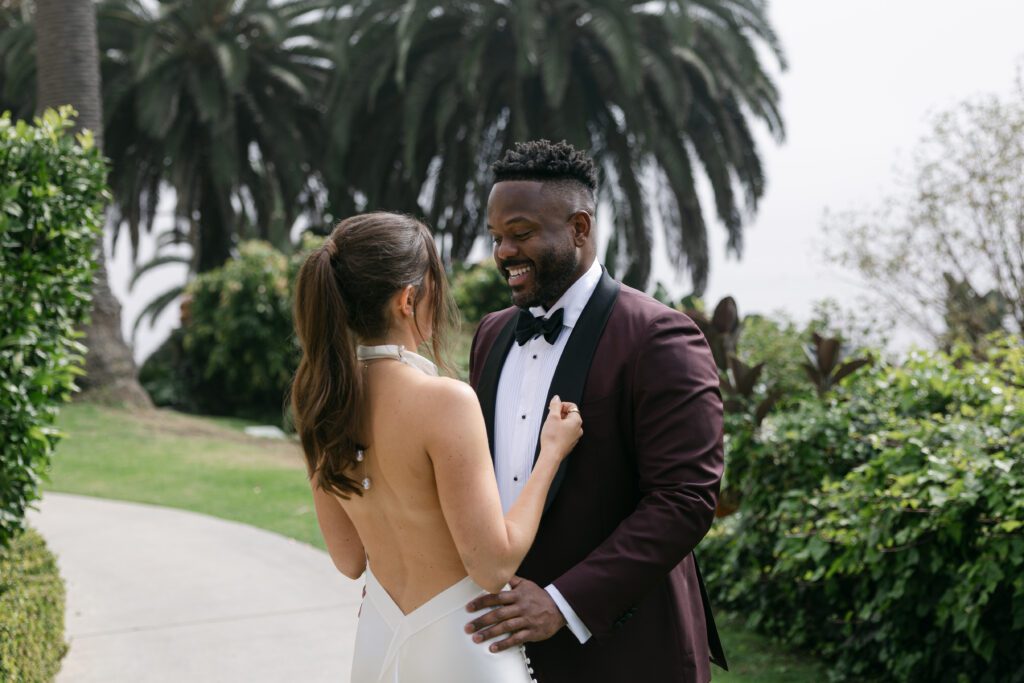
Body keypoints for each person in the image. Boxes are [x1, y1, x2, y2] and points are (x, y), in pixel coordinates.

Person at [464, 140, 728, 682]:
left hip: (622, 649)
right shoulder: (491, 333)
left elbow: (685, 500)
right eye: (495, 238)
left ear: (579, 228)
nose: (503, 253)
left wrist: (562, 603)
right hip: (500, 651)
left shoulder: (659, 337)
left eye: (520, 233)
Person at [290, 212, 583, 683]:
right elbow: (492, 565)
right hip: (462, 646)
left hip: (379, 640)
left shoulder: (321, 401)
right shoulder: (443, 400)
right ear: (408, 299)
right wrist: (550, 454)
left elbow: (349, 560)